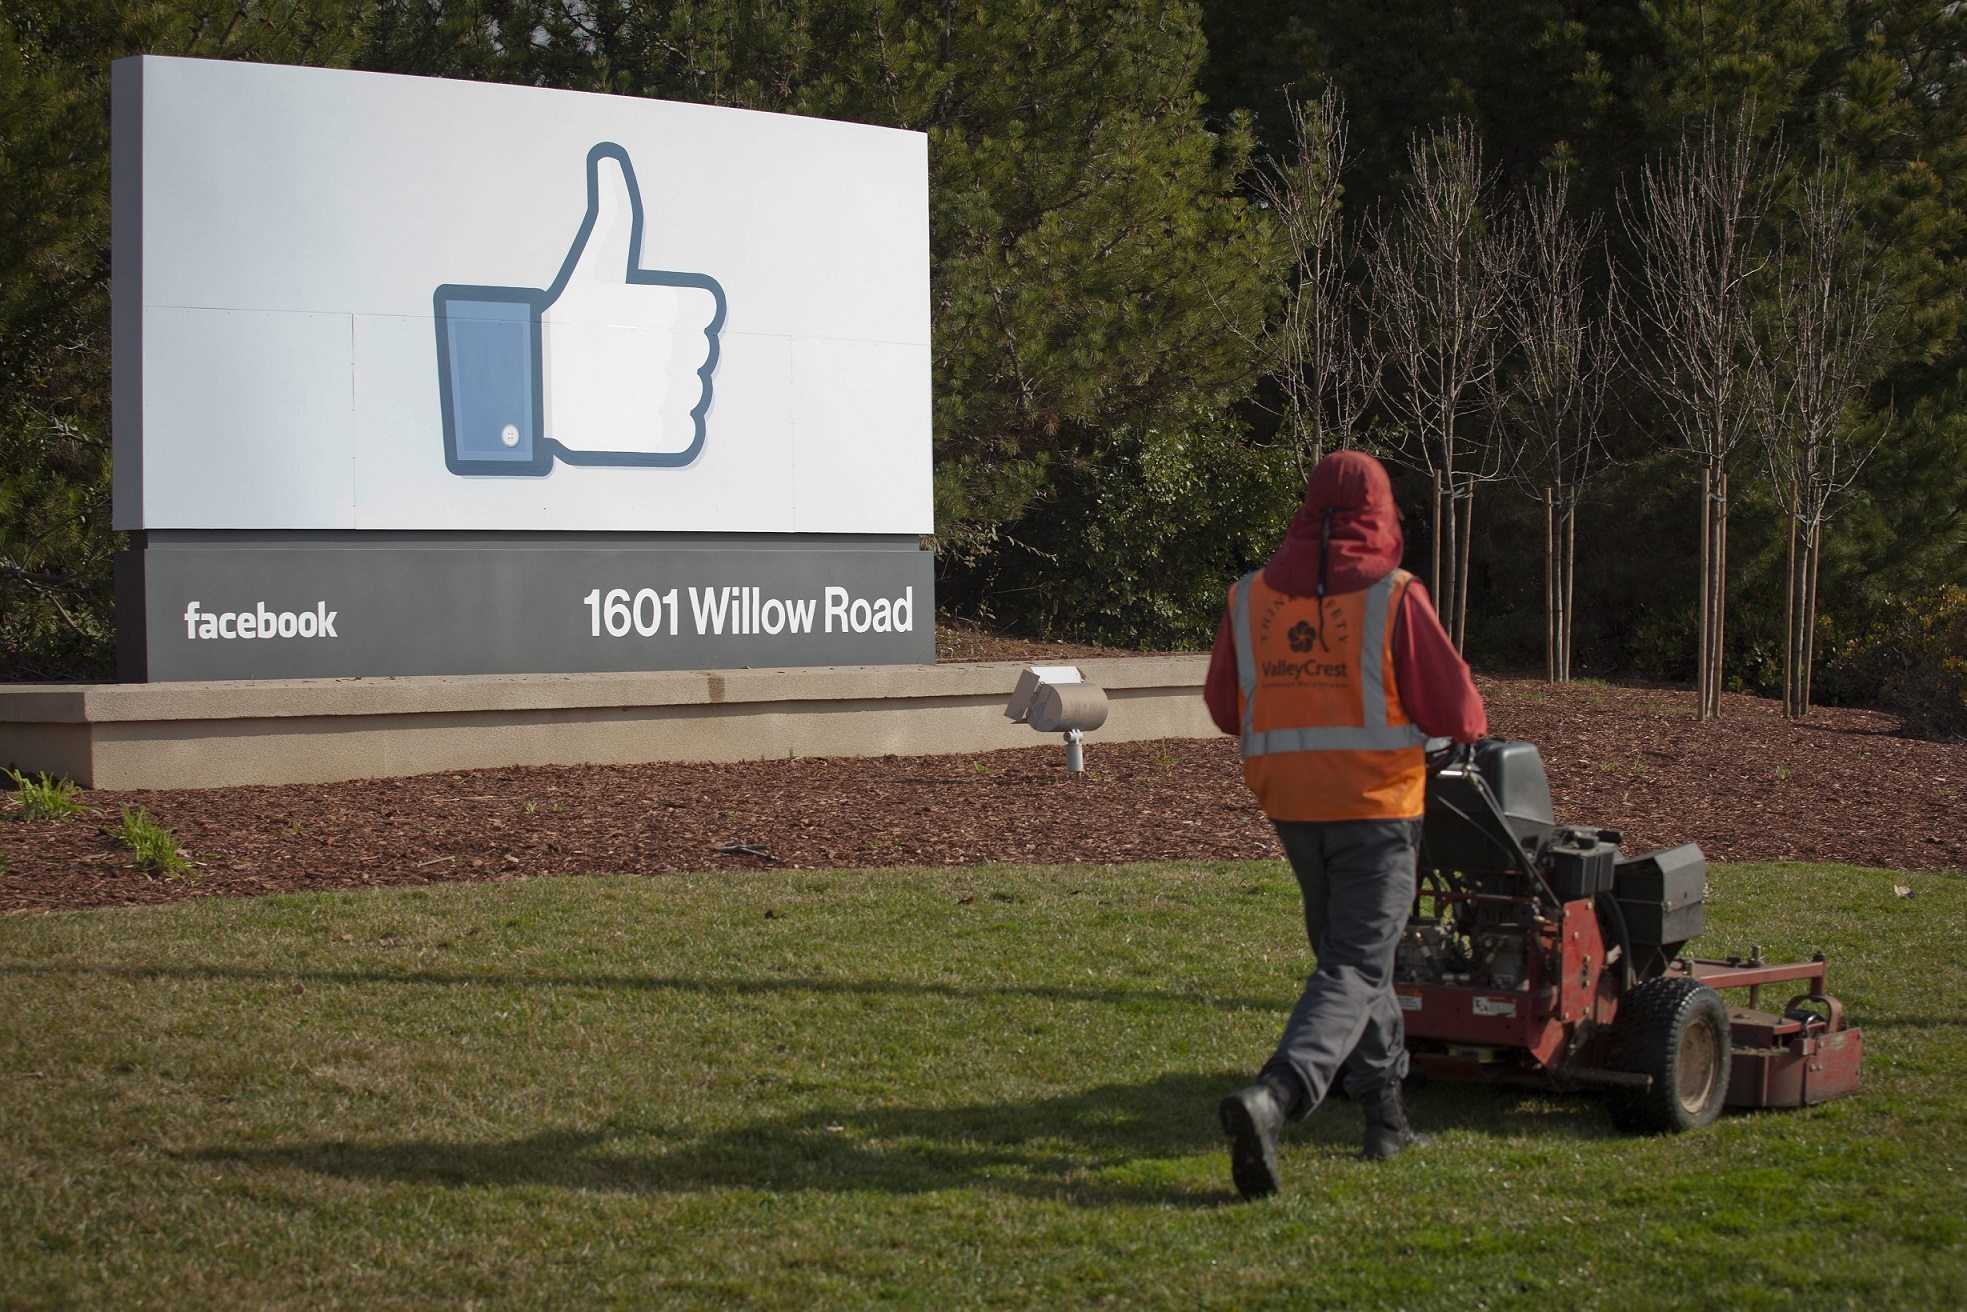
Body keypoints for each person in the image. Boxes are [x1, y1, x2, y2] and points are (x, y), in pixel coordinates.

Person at [1202, 449, 1486, 1199]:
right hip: (1375, 808)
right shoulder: (1394, 596)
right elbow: (1456, 712)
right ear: (1382, 513)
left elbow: (1226, 707)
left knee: (1357, 964)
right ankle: (1278, 1097)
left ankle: (1385, 1120)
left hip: (1291, 806)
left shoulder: (1248, 597)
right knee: (1356, 967)